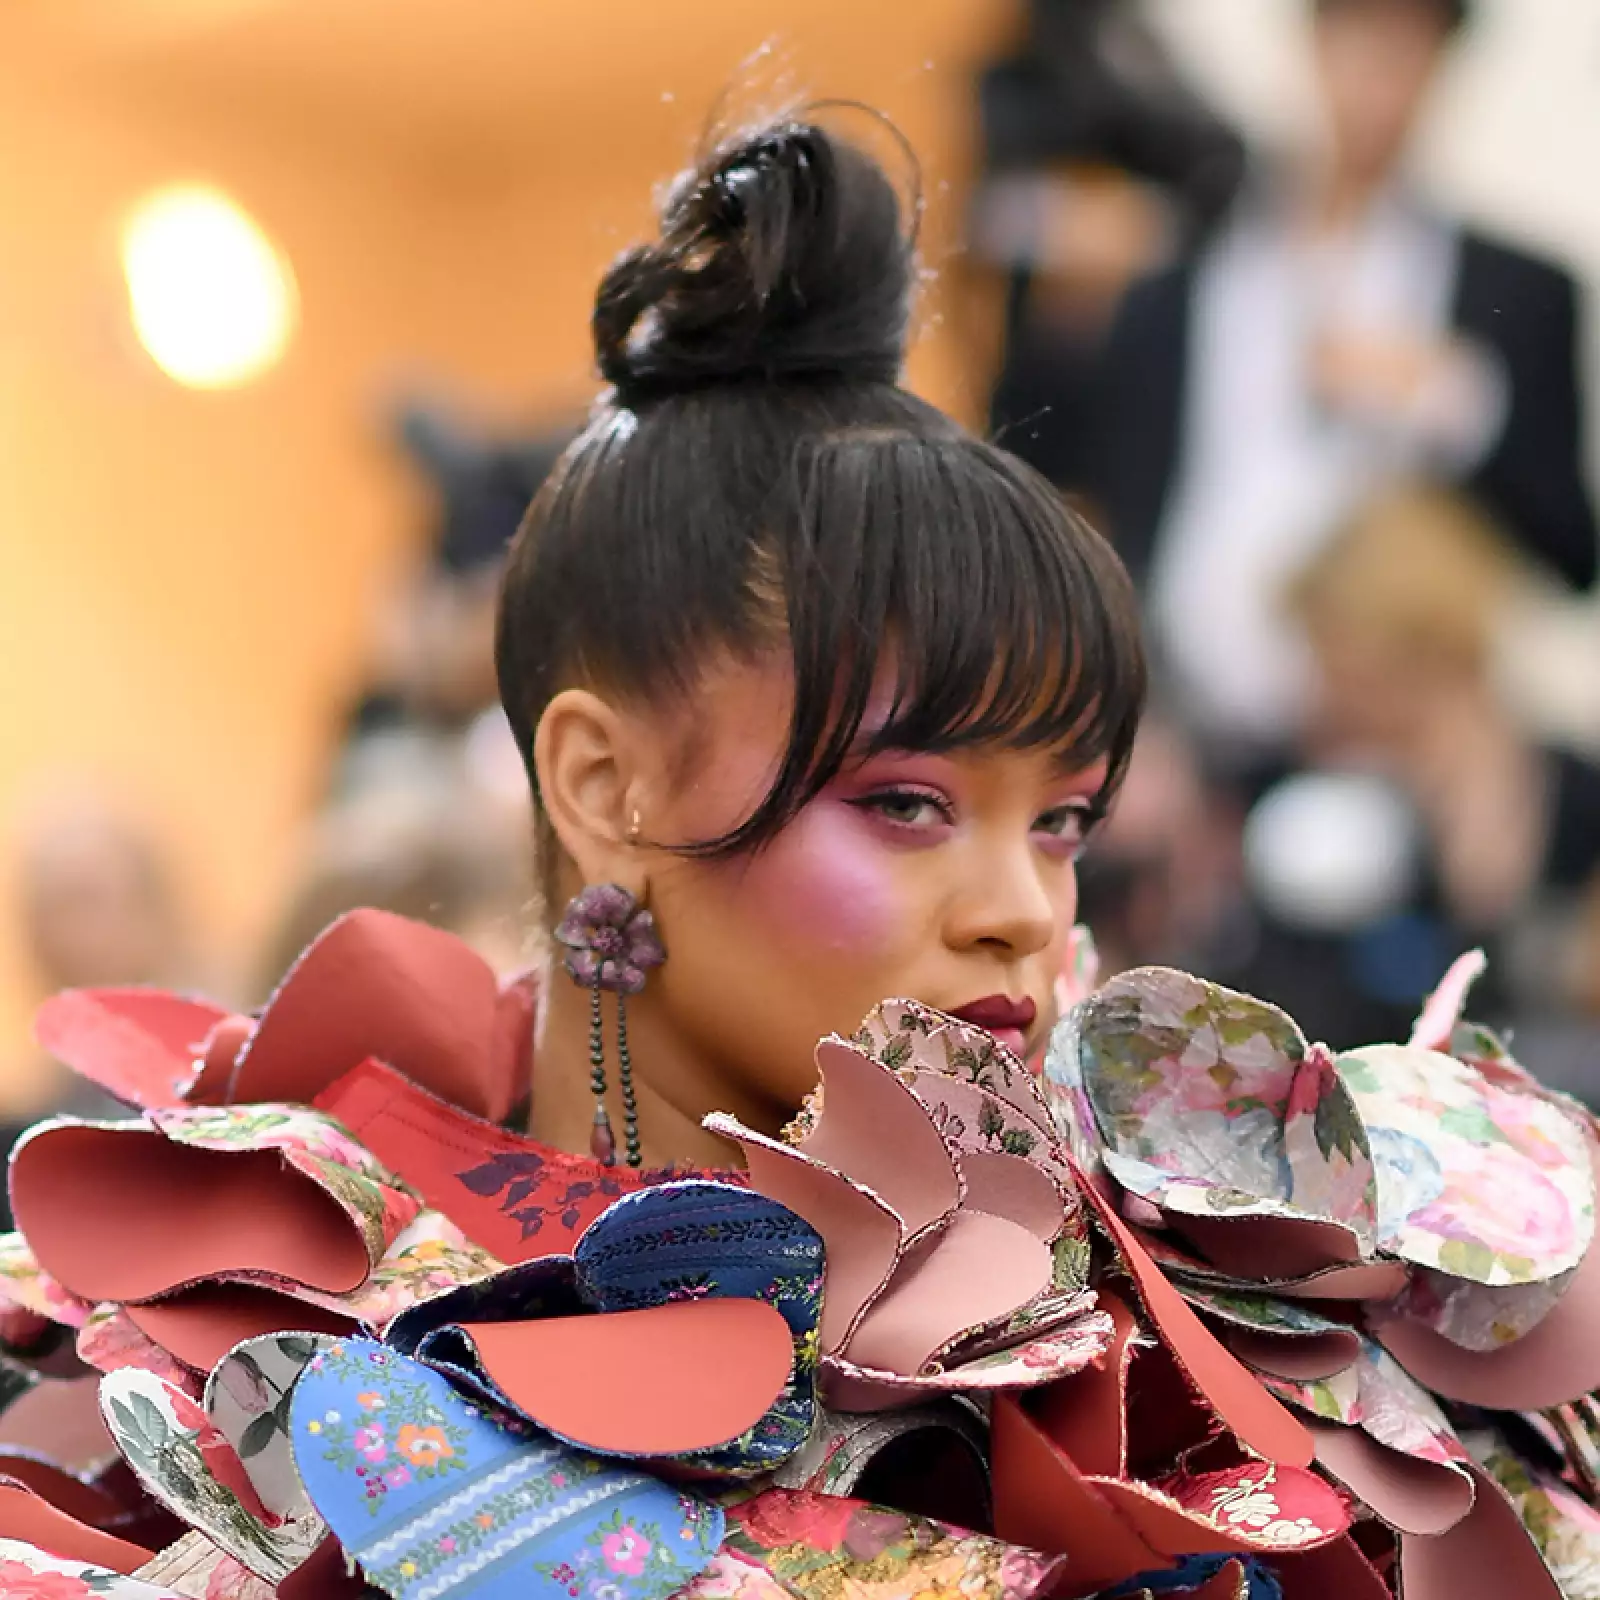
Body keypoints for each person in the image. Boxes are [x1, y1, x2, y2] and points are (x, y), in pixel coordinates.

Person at [3, 114, 1600, 1600]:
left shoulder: (1251, 1355)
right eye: (908, 804)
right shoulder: (204, 1357)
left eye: (1062, 821)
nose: (1022, 913)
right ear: (601, 783)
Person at [1077, 0, 1597, 767]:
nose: (1379, 83)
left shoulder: (1518, 290)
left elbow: (1571, 552)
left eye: (1408, 51)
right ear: (1314, 46)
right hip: (1175, 729)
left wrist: (1453, 403)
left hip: (1394, 741)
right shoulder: (1188, 275)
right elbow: (1087, 487)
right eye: (1361, 42)